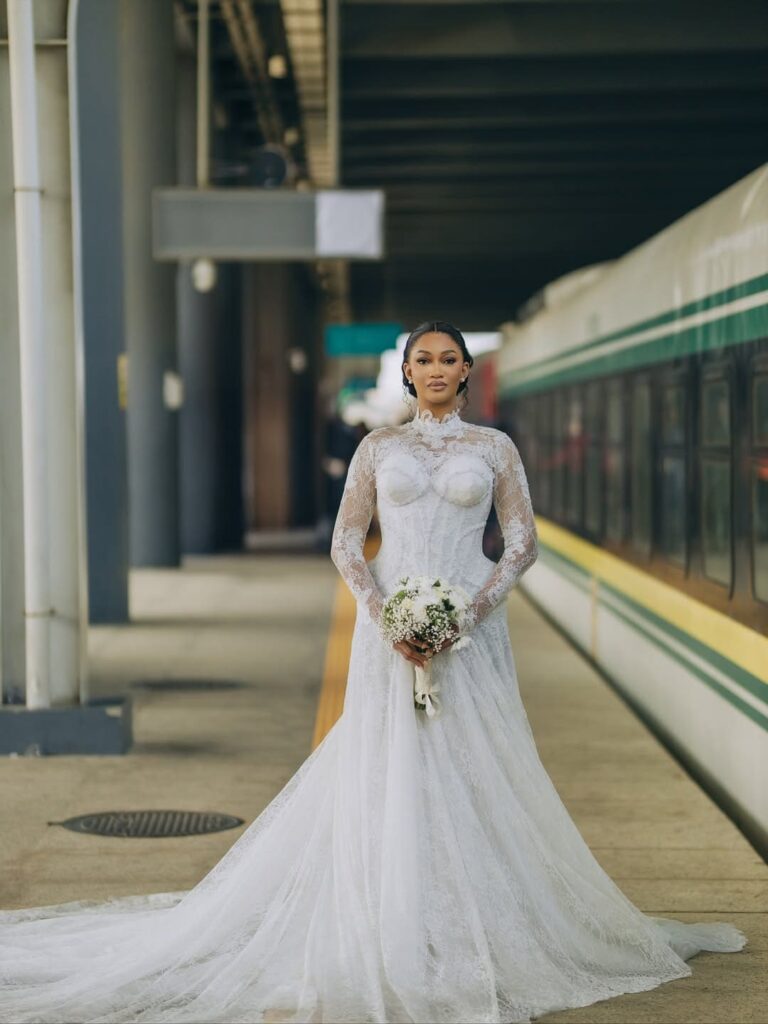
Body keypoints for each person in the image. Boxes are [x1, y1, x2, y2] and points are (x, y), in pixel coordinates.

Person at [0, 321, 746, 1024]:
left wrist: (468, 615)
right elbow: (346, 542)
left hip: (472, 628)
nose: (434, 370)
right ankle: (389, 910)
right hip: (388, 625)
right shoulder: (377, 448)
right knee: (389, 761)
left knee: (474, 763)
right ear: (406, 371)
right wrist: (387, 617)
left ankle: (471, 916)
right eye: (422, 360)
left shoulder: (494, 447)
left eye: (448, 359)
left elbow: (520, 543)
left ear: (466, 371)